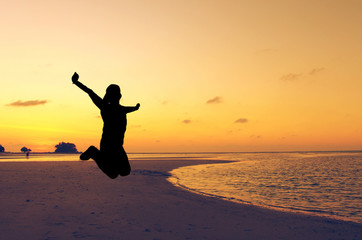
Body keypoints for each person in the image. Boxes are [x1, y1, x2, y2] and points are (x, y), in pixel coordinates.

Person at [71, 72, 140, 179]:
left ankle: (97, 155)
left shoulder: (122, 109)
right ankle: (93, 152)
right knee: (113, 174)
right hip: (107, 145)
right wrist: (76, 82)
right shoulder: (104, 107)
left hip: (118, 146)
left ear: (119, 96)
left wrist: (135, 108)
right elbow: (90, 92)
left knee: (125, 172)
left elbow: (129, 109)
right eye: (115, 94)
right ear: (111, 96)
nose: (117, 96)